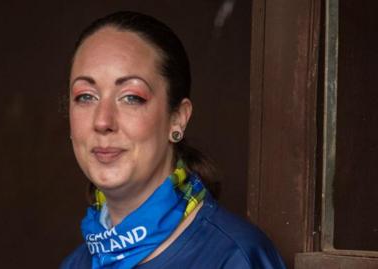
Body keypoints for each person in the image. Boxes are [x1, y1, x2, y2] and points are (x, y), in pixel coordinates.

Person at [61, 11, 286, 269]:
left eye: (131, 97)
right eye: (85, 96)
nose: (102, 121)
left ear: (177, 119)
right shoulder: (75, 264)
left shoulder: (235, 258)